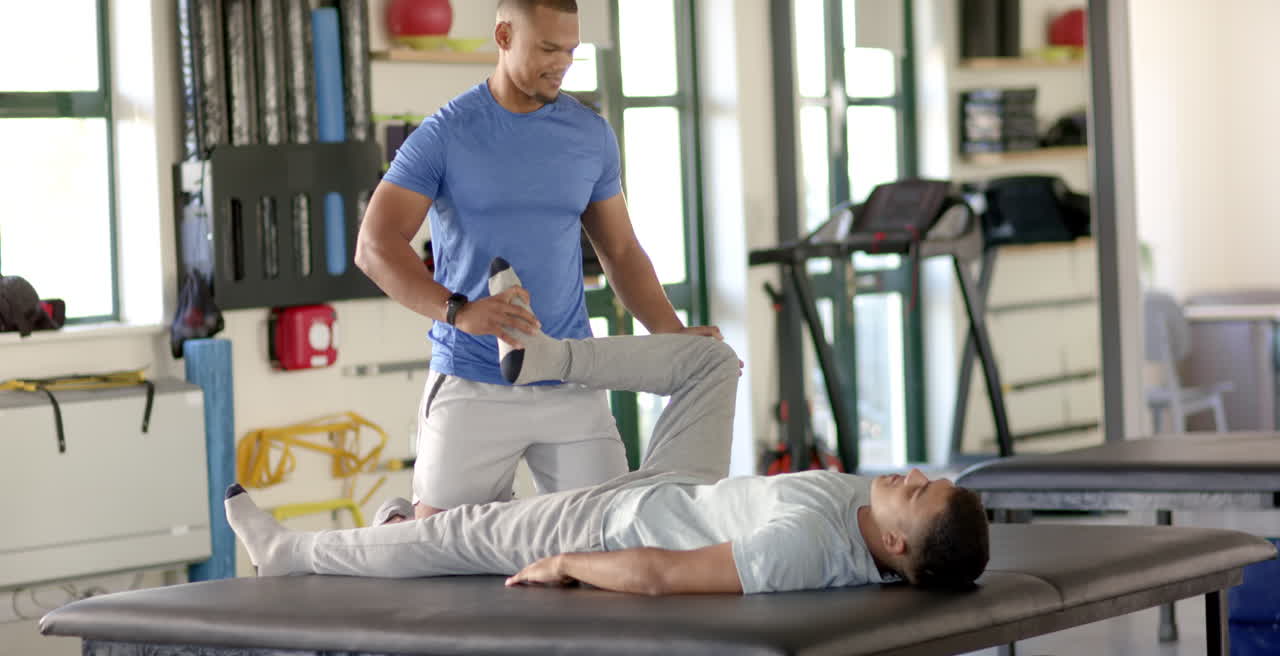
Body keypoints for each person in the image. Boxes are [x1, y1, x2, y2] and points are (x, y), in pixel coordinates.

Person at [226, 265, 990, 595]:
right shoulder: (869, 507)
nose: (912, 476)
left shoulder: (801, 549)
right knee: (713, 362)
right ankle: (541, 356)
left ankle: (287, 551)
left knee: (456, 534)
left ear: (894, 546)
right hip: (683, 487)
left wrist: (569, 562)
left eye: (918, 495)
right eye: (928, 479)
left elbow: (662, 576)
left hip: (614, 521)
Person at [355, 0, 721, 523]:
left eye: (571, 51)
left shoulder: (589, 135)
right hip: (472, 377)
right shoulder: (445, 133)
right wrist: (458, 310)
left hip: (570, 378)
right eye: (548, 48)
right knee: (434, 553)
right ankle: (401, 522)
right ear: (504, 37)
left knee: (610, 535)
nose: (562, 64)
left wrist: (669, 338)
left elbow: (620, 250)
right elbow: (375, 245)